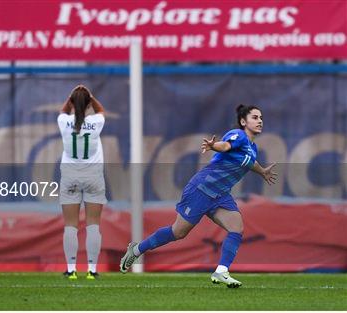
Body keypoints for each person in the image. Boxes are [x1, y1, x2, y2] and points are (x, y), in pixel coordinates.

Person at [120, 104, 278, 288]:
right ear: (243, 121)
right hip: (202, 189)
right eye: (255, 117)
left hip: (220, 194)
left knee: (237, 226)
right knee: (178, 232)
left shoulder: (252, 147)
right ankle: (137, 249)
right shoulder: (238, 135)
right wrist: (214, 146)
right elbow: (226, 146)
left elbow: (250, 162)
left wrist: (262, 172)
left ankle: (221, 271)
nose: (260, 121)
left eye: (261, 117)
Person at [57, 84, 107, 280]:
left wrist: (72, 97)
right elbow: (101, 110)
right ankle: (92, 270)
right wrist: (90, 96)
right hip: (93, 176)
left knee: (71, 225)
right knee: (93, 225)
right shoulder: (96, 122)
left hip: (70, 175)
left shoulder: (63, 121)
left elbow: (63, 110)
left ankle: (71, 269)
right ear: (88, 104)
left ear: (71, 102)